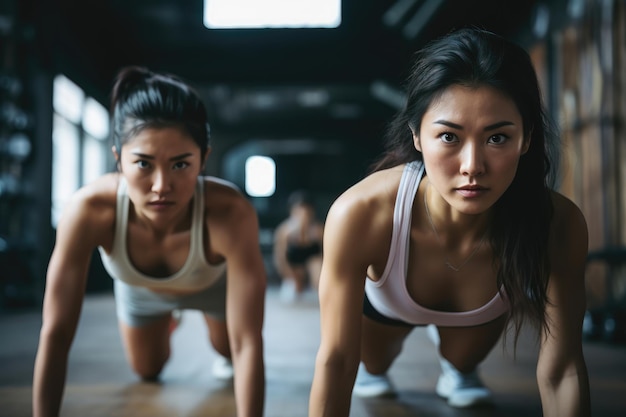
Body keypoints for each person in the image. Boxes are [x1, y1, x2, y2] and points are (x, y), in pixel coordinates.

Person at [309, 27, 591, 417]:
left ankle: (457, 371)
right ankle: (386, 365)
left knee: (461, 361)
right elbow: (337, 360)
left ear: (525, 139)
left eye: (497, 139)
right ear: (417, 135)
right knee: (370, 366)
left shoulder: (558, 223)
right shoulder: (361, 212)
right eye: (449, 137)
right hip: (387, 307)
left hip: (475, 313)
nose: (472, 166)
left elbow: (562, 371)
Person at [33, 66, 266, 417]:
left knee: (230, 351)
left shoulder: (231, 214)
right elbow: (56, 332)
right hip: (140, 290)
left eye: (180, 165)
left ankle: (202, 323)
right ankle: (168, 319)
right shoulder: (89, 210)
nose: (161, 186)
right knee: (148, 370)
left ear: (203, 159)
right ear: (118, 160)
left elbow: (249, 343)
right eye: (143, 163)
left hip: (213, 286)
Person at [272, 190, 324, 302]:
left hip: (312, 267)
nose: (303, 214)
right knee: (291, 294)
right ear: (292, 211)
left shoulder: (318, 230)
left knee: (316, 264)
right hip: (294, 268)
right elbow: (280, 258)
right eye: (299, 210)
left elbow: (326, 256)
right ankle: (296, 284)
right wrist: (290, 276)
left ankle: (316, 286)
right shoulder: (284, 231)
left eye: (306, 210)